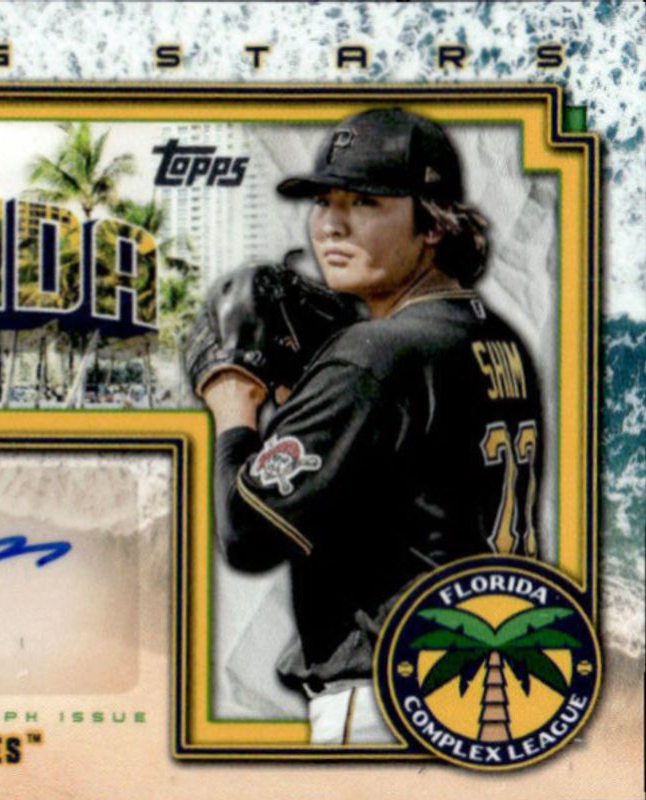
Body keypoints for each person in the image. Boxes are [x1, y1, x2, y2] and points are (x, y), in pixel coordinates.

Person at [200, 108, 544, 745]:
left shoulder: (374, 355)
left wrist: (233, 399)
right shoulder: (496, 337)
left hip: (386, 702)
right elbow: (400, 492)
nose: (332, 224)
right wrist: (311, 396)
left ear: (433, 223)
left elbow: (247, 533)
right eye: (323, 201)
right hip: (484, 685)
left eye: (365, 201)